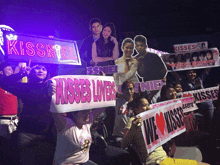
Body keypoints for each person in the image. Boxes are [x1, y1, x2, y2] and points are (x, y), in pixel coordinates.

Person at [121, 96, 210, 165]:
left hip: (167, 159)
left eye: (148, 104)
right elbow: (123, 144)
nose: (148, 107)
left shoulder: (155, 119)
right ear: (136, 109)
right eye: (144, 105)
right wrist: (133, 127)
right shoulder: (133, 120)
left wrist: (188, 104)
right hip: (155, 162)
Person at [0, 64, 56, 165]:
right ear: (30, 72)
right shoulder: (25, 87)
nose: (41, 70)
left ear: (47, 73)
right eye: (37, 68)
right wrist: (20, 74)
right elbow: (3, 82)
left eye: (44, 69)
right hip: (26, 134)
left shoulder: (52, 87)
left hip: (46, 134)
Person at [112, 80, 135, 147]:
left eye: (131, 89)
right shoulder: (117, 102)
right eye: (126, 89)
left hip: (133, 137)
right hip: (119, 136)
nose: (129, 91)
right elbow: (109, 93)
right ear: (122, 90)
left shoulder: (137, 103)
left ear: (134, 90)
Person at [0, 62, 18, 139]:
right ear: (1, 72)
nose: (11, 71)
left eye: (12, 69)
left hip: (15, 120)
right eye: (8, 69)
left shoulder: (15, 86)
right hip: (3, 121)